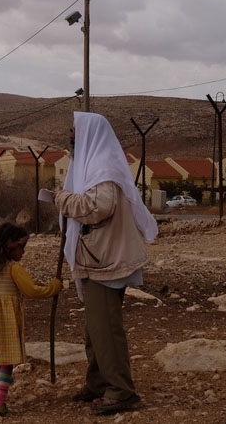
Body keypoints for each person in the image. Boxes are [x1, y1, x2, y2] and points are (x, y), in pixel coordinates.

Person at [51, 111, 158, 415]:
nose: (70, 135)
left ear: (89, 132)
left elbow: (99, 206)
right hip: (98, 256)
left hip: (106, 258)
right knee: (94, 328)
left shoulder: (103, 166)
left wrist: (63, 200)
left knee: (106, 327)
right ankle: (98, 383)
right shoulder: (92, 163)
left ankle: (121, 390)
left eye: (74, 130)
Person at [0, 222, 62, 417]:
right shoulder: (14, 269)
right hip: (7, 322)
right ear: (9, 246)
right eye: (21, 248)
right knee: (8, 363)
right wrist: (54, 287)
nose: (23, 253)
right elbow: (31, 290)